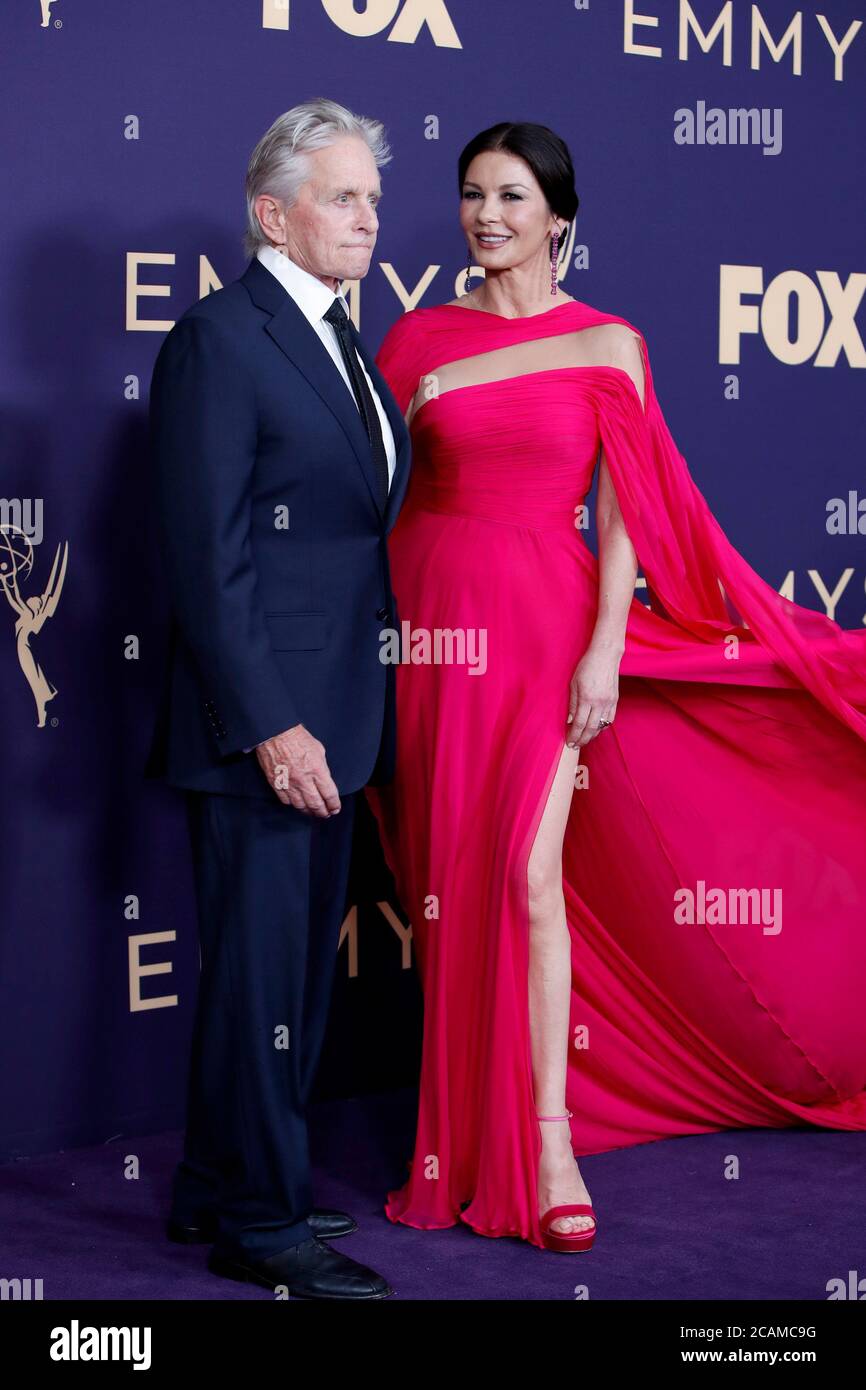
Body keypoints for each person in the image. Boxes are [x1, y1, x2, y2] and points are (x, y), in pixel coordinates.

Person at [365, 121, 866, 1254]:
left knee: (525, 875)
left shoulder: (608, 345)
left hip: (545, 622)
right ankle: (447, 1146)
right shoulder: (413, 343)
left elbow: (626, 509)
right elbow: (369, 489)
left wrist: (603, 644)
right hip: (432, 627)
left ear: (556, 218)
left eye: (509, 197)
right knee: (452, 880)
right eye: (469, 194)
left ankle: (544, 1142)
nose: (485, 215)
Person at [146, 99, 410, 1298]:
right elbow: (206, 557)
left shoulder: (340, 337)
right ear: (273, 213)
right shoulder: (221, 336)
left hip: (335, 718)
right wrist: (268, 721)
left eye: (370, 196)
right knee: (265, 979)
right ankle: (263, 1221)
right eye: (343, 197)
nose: (370, 216)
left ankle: (214, 1182)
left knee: (282, 980)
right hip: (264, 732)